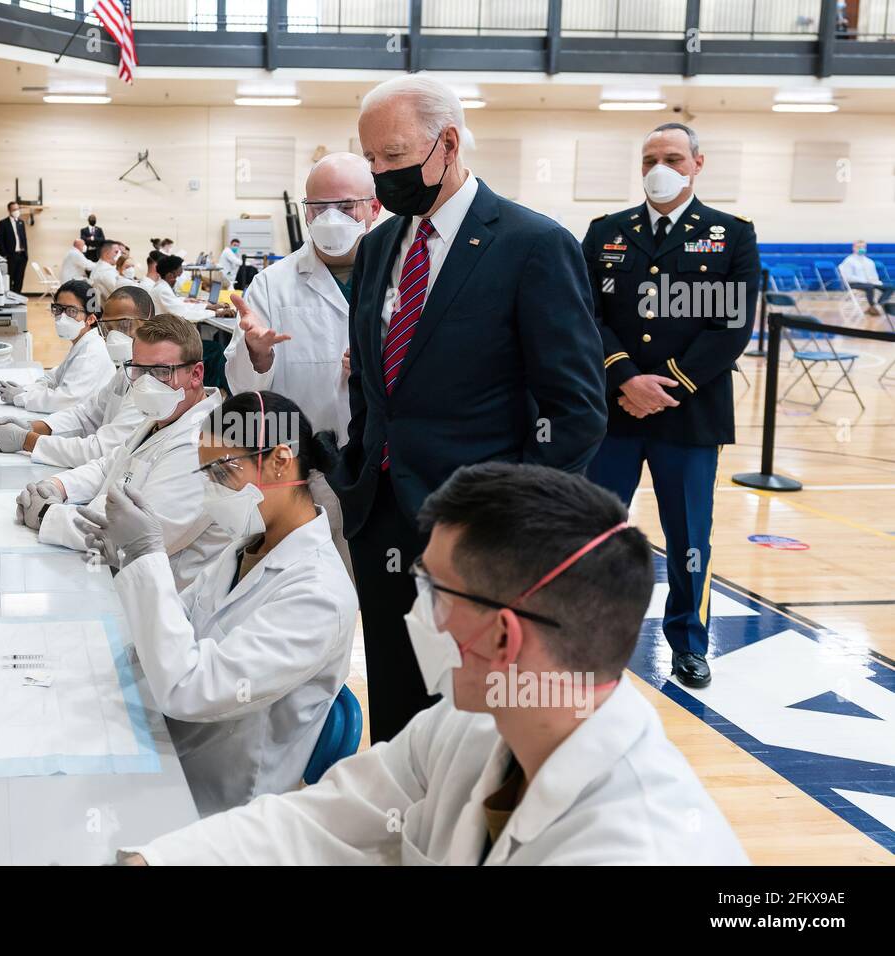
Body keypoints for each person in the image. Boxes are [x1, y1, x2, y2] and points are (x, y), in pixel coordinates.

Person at [115, 463, 748, 865]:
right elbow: (324, 822)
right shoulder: (474, 723)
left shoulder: (636, 845)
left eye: (433, 591)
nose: (416, 611)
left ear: (503, 638)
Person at [334, 74, 607, 743]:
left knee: (470, 722)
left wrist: (502, 517)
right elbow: (375, 390)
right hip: (382, 522)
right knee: (396, 712)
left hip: (475, 536)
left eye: (392, 157)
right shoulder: (377, 249)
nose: (378, 176)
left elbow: (576, 410)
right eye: (369, 161)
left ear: (448, 144)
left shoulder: (532, 245)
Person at [78, 391, 356, 816]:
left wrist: (147, 561)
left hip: (220, 801)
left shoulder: (320, 595)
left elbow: (190, 690)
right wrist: (128, 568)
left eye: (222, 472)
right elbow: (177, 621)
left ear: (280, 459)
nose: (211, 490)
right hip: (171, 746)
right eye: (206, 474)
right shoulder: (247, 546)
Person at [582, 122, 759, 690]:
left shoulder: (730, 234)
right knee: (598, 530)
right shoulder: (606, 232)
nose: (661, 167)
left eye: (674, 158)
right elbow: (587, 316)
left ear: (698, 164)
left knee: (689, 537)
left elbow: (730, 327)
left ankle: (689, 642)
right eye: (651, 158)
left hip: (691, 413)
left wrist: (667, 386)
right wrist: (626, 378)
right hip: (615, 410)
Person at [225, 152, 381, 576]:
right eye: (318, 207)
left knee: (365, 589)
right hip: (300, 469)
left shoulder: (403, 276)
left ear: (374, 206)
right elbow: (245, 391)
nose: (331, 218)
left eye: (345, 206)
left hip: (378, 466)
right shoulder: (273, 284)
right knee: (294, 588)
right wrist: (258, 354)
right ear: (305, 211)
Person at [18, 315, 232, 590]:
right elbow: (111, 464)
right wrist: (58, 486)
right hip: (110, 564)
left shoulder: (201, 444)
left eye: (161, 372)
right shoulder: (166, 413)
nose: (146, 383)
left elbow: (138, 534)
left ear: (196, 374)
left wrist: (48, 515)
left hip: (160, 595)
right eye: (139, 370)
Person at [0, 286, 153, 467]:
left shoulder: (152, 383)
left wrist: (27, 440)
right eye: (108, 328)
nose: (113, 337)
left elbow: (101, 450)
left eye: (124, 325)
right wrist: (33, 427)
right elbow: (87, 415)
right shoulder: (127, 369)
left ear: (150, 324)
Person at [0, 279, 113, 413]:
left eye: (71, 311)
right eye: (58, 309)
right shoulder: (82, 343)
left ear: (90, 319)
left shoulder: (91, 352)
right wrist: (26, 389)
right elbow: (54, 377)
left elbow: (65, 400)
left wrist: (20, 397)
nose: (62, 317)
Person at [838, 240, 892, 315]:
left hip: (870, 283)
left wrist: (876, 281)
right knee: (870, 287)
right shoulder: (849, 261)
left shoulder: (869, 261)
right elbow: (849, 277)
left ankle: (877, 305)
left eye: (863, 247)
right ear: (854, 248)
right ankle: (872, 306)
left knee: (890, 287)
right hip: (854, 283)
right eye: (859, 247)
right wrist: (865, 281)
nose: (861, 249)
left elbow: (874, 275)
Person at [0, 201, 29, 293]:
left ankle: (17, 297)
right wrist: (4, 255)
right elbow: (0, 240)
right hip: (11, 256)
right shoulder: (3, 223)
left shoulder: (21, 222)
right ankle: (8, 298)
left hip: (21, 255)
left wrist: (26, 254)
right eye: (14, 209)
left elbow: (24, 239)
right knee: (10, 279)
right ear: (9, 211)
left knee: (19, 279)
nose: (16, 211)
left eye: (17, 209)